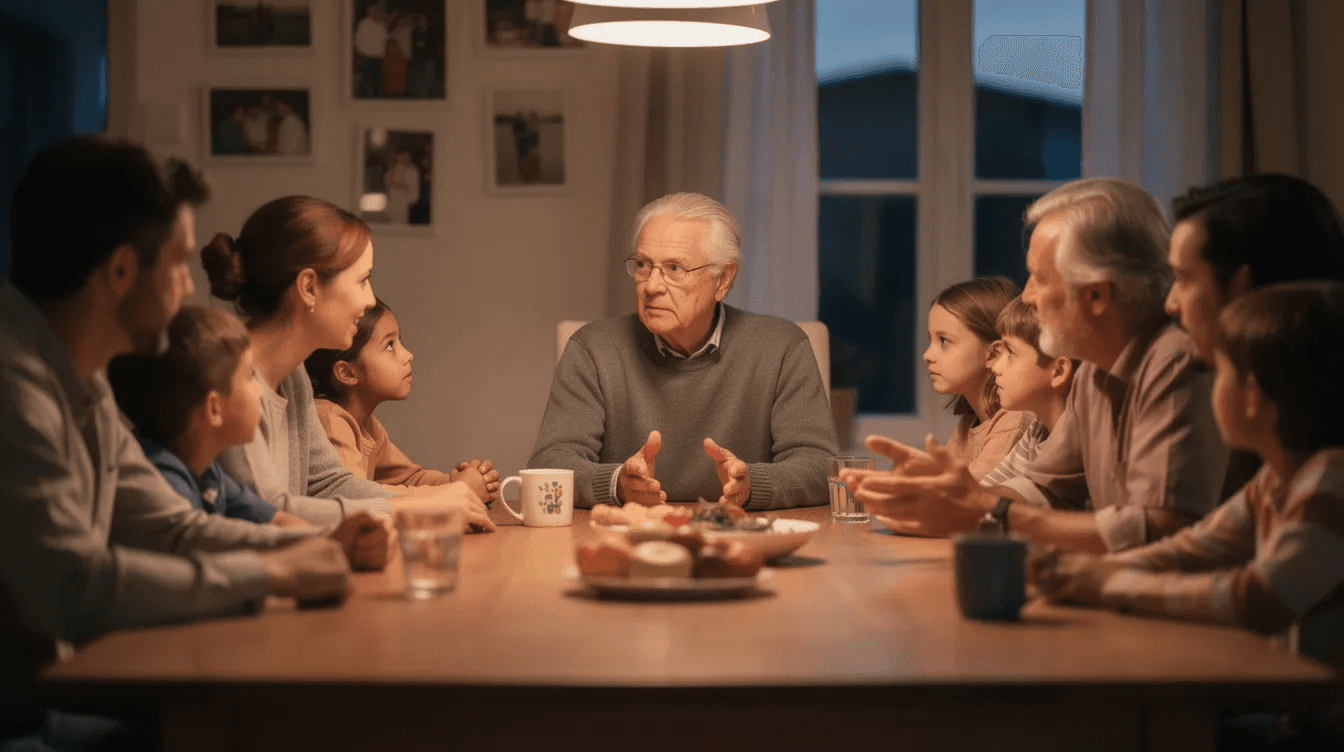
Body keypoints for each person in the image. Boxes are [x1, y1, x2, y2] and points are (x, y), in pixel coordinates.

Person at [0, 136, 389, 748]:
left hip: (66, 701)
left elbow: (170, 526)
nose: (189, 288)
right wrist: (271, 576)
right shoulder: (14, 386)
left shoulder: (83, 375)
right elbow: (74, 588)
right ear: (123, 271)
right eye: (178, 263)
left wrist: (318, 544)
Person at [1032, 281, 1344, 744]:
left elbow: (1258, 599)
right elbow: (1190, 549)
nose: (1206, 385)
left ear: (1253, 397)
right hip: (1289, 716)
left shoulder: (1330, 482)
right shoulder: (1276, 479)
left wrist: (1109, 585)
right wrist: (1082, 572)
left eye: (1216, 372)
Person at [848, 178, 1227, 552]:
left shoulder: (1173, 361)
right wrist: (954, 494)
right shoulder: (1095, 371)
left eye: (1040, 278)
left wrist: (987, 510)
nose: (1027, 295)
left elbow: (1163, 530)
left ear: (1096, 294)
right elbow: (1045, 490)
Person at [529, 192, 838, 510]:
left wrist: (752, 486)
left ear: (723, 279)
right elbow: (550, 464)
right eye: (643, 265)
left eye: (674, 268)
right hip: (629, 539)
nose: (651, 286)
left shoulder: (782, 347)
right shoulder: (593, 349)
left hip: (740, 538)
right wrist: (617, 483)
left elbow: (820, 466)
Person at [202, 195, 493, 531]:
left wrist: (432, 499)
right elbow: (264, 511)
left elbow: (329, 485)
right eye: (362, 280)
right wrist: (416, 509)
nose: (370, 299)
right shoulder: (229, 377)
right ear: (309, 287)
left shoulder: (292, 376)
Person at [108, 305, 307, 526]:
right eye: (250, 375)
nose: (260, 390)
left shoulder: (208, 471)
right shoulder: (166, 483)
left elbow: (279, 520)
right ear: (214, 409)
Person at [305, 299, 500, 502]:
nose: (408, 355)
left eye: (400, 341)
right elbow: (356, 497)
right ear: (348, 372)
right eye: (390, 345)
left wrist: (462, 482)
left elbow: (410, 478)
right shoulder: (330, 421)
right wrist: (460, 491)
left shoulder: (368, 425)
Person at [924, 277, 1031, 480]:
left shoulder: (1014, 420)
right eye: (931, 339)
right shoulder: (968, 424)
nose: (927, 355)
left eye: (944, 341)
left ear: (993, 354)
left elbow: (962, 496)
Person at [977, 297, 1077, 490]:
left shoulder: (1072, 442)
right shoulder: (1038, 430)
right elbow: (988, 491)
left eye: (1011, 353)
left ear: (1058, 372)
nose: (996, 367)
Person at [353, 3, 386, 98]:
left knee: (376, 83)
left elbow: (384, 39)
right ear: (370, 12)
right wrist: (361, 53)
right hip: (366, 58)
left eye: (378, 11)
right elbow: (357, 40)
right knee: (366, 84)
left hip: (378, 59)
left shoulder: (381, 25)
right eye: (376, 11)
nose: (378, 13)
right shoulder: (364, 23)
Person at [383, 150, 420, 224]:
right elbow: (388, 181)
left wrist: (398, 185)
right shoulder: (395, 169)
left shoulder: (412, 171)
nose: (402, 159)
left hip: (403, 203)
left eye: (405, 157)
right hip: (393, 202)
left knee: (401, 223)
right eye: (400, 156)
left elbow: (412, 190)